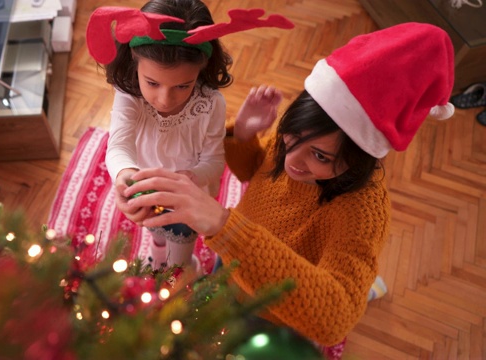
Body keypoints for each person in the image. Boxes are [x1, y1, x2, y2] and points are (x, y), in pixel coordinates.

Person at [117, 22, 455, 355]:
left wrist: (225, 226)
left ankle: (365, 284)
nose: (293, 159)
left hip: (270, 312)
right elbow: (255, 170)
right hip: (232, 267)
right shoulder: (300, 139)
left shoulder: (363, 213)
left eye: (320, 156)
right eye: (291, 135)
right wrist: (245, 133)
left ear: (360, 159)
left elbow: (335, 320)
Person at [85, 1, 293, 271]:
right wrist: (125, 172)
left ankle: (181, 273)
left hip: (189, 197)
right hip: (147, 191)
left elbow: (214, 162)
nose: (164, 99)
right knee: (156, 232)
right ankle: (158, 255)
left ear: (202, 69)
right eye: (152, 83)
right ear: (134, 61)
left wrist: (193, 177)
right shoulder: (129, 95)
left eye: (183, 85)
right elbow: (119, 144)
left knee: (179, 255)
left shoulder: (210, 104)